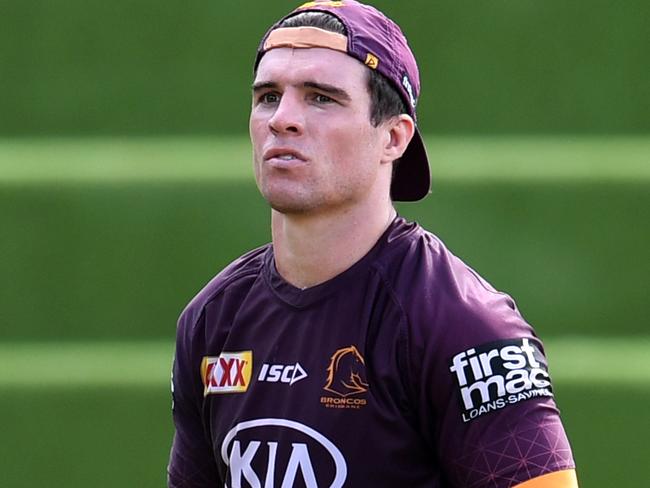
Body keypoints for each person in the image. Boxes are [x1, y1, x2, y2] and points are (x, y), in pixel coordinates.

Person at [168, 1, 578, 486]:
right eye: (267, 97)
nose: (282, 119)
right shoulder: (214, 319)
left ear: (394, 138)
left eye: (320, 97)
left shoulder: (465, 328)